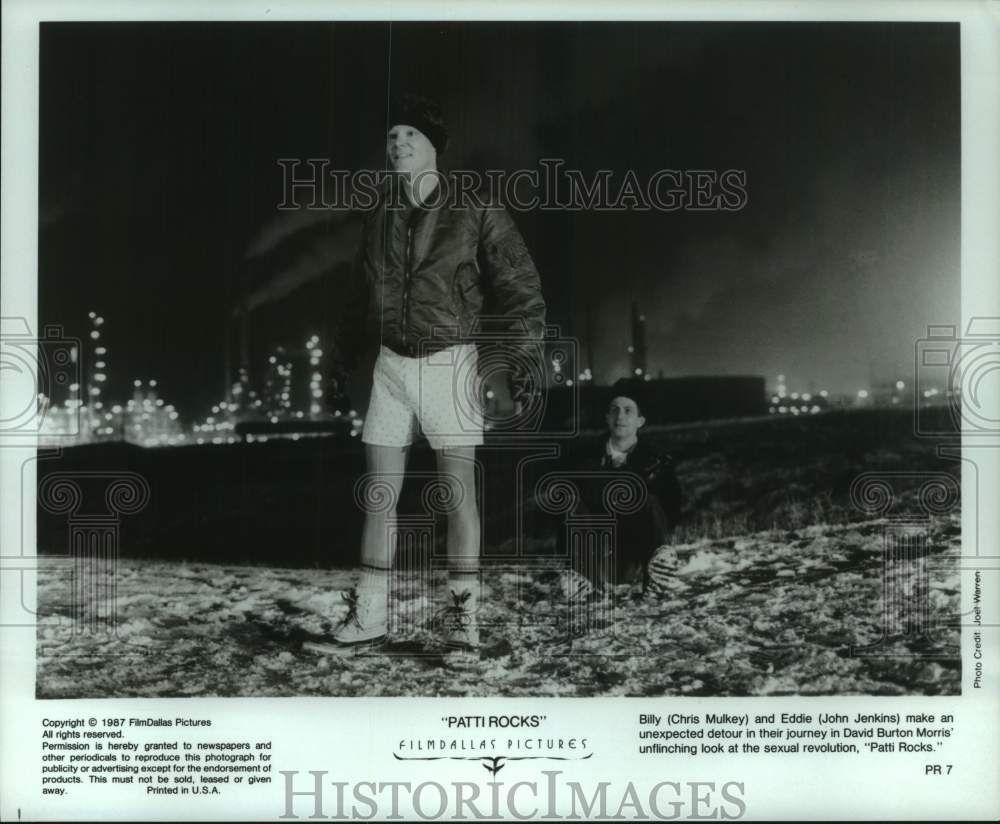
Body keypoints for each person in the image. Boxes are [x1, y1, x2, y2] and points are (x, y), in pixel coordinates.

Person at [327, 94, 546, 651]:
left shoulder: (475, 206)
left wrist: (521, 359)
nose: (397, 144)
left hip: (450, 363)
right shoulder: (379, 211)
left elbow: (520, 286)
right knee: (379, 498)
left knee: (457, 498)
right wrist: (339, 357)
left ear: (434, 147)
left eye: (410, 137)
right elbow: (358, 294)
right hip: (392, 368)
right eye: (392, 137)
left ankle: (461, 624)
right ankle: (370, 616)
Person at [556, 377, 683, 599]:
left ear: (640, 421)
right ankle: (579, 580)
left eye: (628, 410)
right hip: (596, 549)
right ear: (607, 417)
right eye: (614, 410)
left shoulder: (658, 461)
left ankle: (658, 578)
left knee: (650, 500)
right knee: (573, 501)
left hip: (636, 549)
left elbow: (672, 510)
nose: (620, 416)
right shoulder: (584, 458)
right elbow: (566, 513)